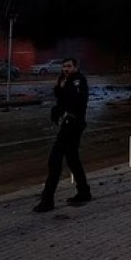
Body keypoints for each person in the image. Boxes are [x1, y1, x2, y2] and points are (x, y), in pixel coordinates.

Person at [33, 57, 92, 212]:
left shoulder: (79, 80)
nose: (65, 69)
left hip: (73, 124)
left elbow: (77, 101)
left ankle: (47, 200)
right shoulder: (63, 79)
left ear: (75, 67)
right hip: (67, 123)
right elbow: (60, 98)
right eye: (64, 66)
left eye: (69, 66)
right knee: (72, 159)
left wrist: (67, 111)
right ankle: (84, 191)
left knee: (55, 160)